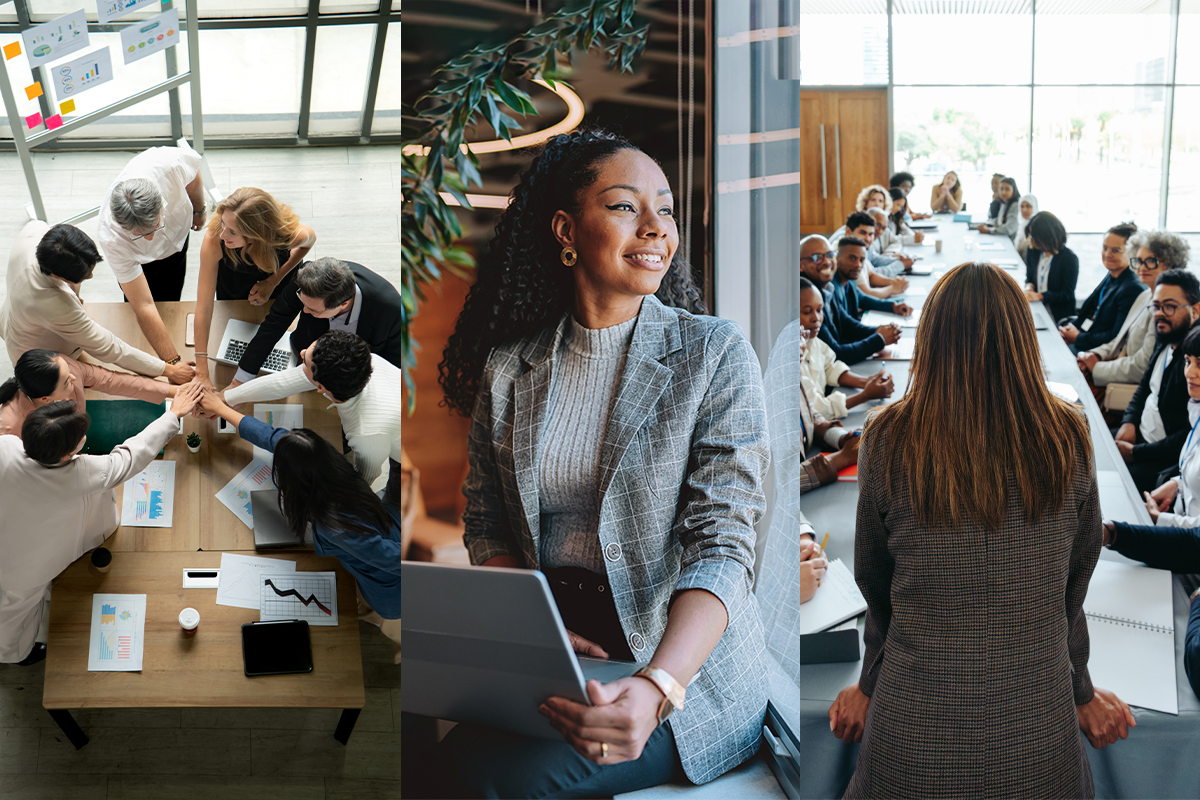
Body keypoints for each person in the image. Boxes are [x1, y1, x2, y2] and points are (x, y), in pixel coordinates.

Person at [430, 129, 768, 798]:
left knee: (501, 785)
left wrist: (655, 687)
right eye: (623, 207)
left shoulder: (714, 355)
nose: (655, 228)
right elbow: (489, 523)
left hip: (681, 669)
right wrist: (539, 633)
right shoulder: (511, 367)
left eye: (665, 209)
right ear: (566, 228)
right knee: (433, 765)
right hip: (559, 652)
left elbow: (724, 545)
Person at [828, 262, 1135, 798]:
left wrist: (869, 682)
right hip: (1037, 723)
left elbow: (876, 584)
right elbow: (1073, 584)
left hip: (915, 724)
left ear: (932, 338)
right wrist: (1080, 687)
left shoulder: (888, 435)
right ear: (1022, 338)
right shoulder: (1068, 432)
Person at [0, 382, 203, 664]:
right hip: (27, 571)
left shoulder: (6, 446)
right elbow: (133, 455)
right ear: (65, 454)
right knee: (13, 623)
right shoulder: (84, 473)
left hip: (9, 538)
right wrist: (174, 414)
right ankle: (17, 656)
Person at [194, 390, 401, 661]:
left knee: (384, 618)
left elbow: (395, 561)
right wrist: (221, 409)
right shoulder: (326, 465)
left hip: (391, 590)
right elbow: (273, 438)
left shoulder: (337, 526)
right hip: (388, 529)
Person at [1103, 326, 1200, 702]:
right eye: (1190, 361)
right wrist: (1178, 482)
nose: (1190, 372)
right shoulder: (1196, 409)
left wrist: (1158, 524)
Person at [0, 221, 194, 384]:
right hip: (38, 353)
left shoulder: (33, 230)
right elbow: (110, 348)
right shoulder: (54, 305)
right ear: (57, 275)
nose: (92, 276)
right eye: (84, 277)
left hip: (14, 315)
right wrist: (169, 370)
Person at [220, 330, 403, 500]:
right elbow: (283, 382)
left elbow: (362, 479)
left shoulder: (366, 435)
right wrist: (225, 398)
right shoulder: (362, 361)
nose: (301, 352)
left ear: (320, 387)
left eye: (305, 361)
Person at [193, 188, 317, 388]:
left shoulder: (284, 236)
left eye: (232, 231)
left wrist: (274, 280)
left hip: (276, 286)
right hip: (233, 287)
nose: (223, 234)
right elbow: (204, 307)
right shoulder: (215, 239)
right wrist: (201, 369)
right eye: (223, 223)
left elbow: (309, 241)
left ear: (256, 234)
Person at [95, 145, 207, 363]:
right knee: (136, 309)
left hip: (177, 244)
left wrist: (199, 210)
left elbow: (193, 178)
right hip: (138, 262)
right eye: (139, 235)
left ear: (160, 207)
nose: (149, 239)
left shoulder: (168, 165)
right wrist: (173, 362)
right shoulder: (111, 238)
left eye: (154, 227)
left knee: (171, 296)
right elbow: (143, 304)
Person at [219, 257, 403, 388]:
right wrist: (241, 380)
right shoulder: (306, 281)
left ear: (343, 304)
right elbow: (274, 324)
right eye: (303, 304)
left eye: (313, 310)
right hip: (305, 359)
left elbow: (393, 366)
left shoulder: (391, 311)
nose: (304, 311)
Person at [1113, 270, 1200, 494]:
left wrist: (1135, 452)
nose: (1160, 314)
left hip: (1160, 458)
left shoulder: (1192, 365)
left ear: (1196, 310)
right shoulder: (1165, 339)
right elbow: (1144, 388)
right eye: (1156, 306)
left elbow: (1187, 434)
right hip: (1138, 436)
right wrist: (1128, 422)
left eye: (1169, 306)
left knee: (1106, 483)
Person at [1079, 230, 1190, 387]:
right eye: (1138, 261)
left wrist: (1097, 367)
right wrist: (1094, 354)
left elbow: (1142, 365)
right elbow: (1120, 340)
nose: (1142, 268)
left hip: (1132, 387)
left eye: (1151, 260)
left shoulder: (1167, 309)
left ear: (1170, 263)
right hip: (1118, 371)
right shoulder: (1144, 296)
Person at [0, 349, 175, 437]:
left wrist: (176, 391)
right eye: (67, 381)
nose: (74, 378)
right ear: (45, 398)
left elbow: (112, 380)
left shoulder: (61, 366)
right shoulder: (10, 429)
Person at [794, 277, 894, 419]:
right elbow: (815, 410)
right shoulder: (795, 355)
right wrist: (865, 395)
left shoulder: (812, 339)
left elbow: (830, 367)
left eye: (819, 310)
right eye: (807, 312)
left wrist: (866, 382)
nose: (816, 318)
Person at [799, 235, 900, 365]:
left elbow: (846, 323)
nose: (826, 261)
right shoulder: (807, 298)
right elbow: (836, 353)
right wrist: (879, 339)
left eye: (829, 255)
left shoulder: (827, 288)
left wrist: (881, 331)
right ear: (801, 265)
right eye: (817, 258)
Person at [1060, 223, 1147, 354]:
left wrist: (1078, 338)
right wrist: (1072, 327)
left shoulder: (1132, 288)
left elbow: (1114, 337)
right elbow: (1090, 311)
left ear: (1132, 253)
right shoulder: (1112, 274)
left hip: (1096, 351)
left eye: (1115, 250)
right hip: (1085, 337)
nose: (1107, 254)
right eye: (1105, 248)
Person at [830, 236, 913, 322]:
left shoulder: (849, 279)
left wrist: (893, 306)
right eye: (852, 258)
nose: (858, 265)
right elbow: (846, 326)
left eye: (862, 260)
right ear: (837, 257)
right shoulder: (832, 288)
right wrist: (878, 333)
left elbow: (863, 299)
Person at [828, 211, 909, 298]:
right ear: (848, 231)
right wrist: (892, 288)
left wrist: (893, 282)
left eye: (871, 234)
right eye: (862, 233)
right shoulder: (844, 252)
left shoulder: (858, 248)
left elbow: (871, 275)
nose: (867, 238)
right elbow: (867, 293)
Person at [1023, 210, 1079, 323]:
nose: (1031, 240)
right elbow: (1029, 278)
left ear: (1047, 237)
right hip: (1036, 309)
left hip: (1058, 315)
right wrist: (1029, 287)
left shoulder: (1069, 258)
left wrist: (1040, 296)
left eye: (1034, 236)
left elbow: (1067, 294)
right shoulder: (1033, 251)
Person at [978, 177, 1022, 242]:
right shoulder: (1004, 203)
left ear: (1014, 190)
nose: (1003, 192)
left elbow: (1009, 229)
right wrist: (988, 224)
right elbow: (999, 220)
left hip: (1012, 241)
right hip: (1004, 239)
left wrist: (988, 230)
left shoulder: (1015, 205)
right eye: (1001, 189)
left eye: (1007, 189)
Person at [1015, 193, 1039, 257]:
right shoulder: (1022, 224)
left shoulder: (1036, 227)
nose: (1024, 210)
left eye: (1028, 206)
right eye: (1022, 206)